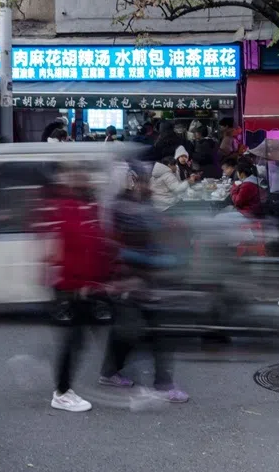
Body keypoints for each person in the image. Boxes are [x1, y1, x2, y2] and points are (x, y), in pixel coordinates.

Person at [100, 167, 189, 403]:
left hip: (143, 280)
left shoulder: (141, 204)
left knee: (136, 332)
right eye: (138, 180)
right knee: (149, 332)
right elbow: (123, 247)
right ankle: (162, 384)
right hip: (131, 279)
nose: (145, 185)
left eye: (145, 180)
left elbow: (153, 237)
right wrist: (163, 260)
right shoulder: (123, 208)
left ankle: (112, 373)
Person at [46, 169, 113, 413]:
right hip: (72, 287)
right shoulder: (69, 207)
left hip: (81, 285)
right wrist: (82, 284)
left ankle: (67, 388)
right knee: (73, 340)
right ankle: (62, 392)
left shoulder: (86, 207)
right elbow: (73, 247)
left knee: (79, 339)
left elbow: (94, 244)